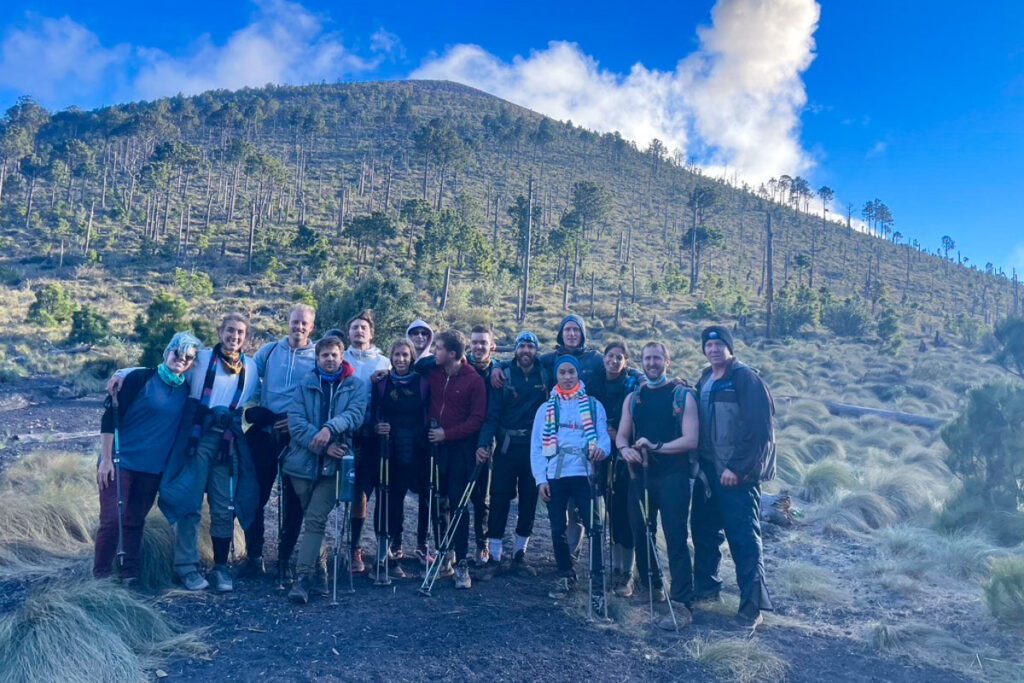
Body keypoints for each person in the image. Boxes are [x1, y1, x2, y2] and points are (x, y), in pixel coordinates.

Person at [157, 314, 260, 592]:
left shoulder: (251, 367)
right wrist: (123, 374)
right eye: (229, 330)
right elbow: (170, 368)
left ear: (245, 337)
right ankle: (186, 567)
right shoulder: (200, 358)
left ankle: (221, 567)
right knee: (189, 502)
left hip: (228, 441)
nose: (234, 337)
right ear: (219, 331)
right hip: (196, 437)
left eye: (240, 332)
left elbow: (263, 397)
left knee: (224, 504)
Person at [94, 332, 200, 584]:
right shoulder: (139, 378)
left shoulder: (187, 390)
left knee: (134, 520)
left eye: (188, 357)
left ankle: (130, 571)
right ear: (168, 351)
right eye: (177, 353)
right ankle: (101, 577)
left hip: (153, 469)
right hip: (121, 462)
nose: (181, 359)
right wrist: (106, 460)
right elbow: (110, 418)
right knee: (111, 520)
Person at [691, 325, 776, 630]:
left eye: (719, 344)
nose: (713, 349)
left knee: (743, 539)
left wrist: (737, 469)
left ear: (729, 347)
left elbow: (759, 430)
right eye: (708, 345)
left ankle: (752, 607)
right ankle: (706, 588)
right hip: (707, 474)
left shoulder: (745, 378)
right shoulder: (705, 378)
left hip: (736, 477)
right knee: (703, 531)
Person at [616, 342, 699, 629]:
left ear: (667, 360)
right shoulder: (634, 397)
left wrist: (656, 446)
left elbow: (691, 440)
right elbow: (622, 435)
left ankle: (682, 601)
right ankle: (652, 586)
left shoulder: (682, 396)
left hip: (673, 478)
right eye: (647, 359)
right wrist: (624, 449)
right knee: (641, 531)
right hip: (640, 477)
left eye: (657, 358)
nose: (652, 363)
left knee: (675, 536)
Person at [282, 335, 367, 603]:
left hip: (336, 466)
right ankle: (321, 571)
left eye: (334, 355)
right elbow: (295, 423)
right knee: (311, 520)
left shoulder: (355, 385)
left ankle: (303, 578)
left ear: (342, 356)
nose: (329, 359)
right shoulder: (304, 385)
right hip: (302, 465)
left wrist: (330, 430)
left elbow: (355, 415)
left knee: (316, 518)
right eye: (324, 355)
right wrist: (320, 445)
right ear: (317, 358)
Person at [240, 304, 316, 579]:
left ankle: (284, 558)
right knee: (253, 496)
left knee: (294, 500)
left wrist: (298, 422)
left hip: (297, 437)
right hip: (265, 431)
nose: (298, 327)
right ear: (288, 323)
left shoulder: (317, 356)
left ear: (311, 327)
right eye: (295, 322)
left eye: (304, 324)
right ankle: (254, 555)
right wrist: (253, 409)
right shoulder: (269, 351)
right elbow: (245, 377)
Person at [531, 356, 610, 599]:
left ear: (578, 375)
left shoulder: (594, 406)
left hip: (585, 474)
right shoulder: (545, 409)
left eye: (571, 372)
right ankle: (566, 574)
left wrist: (601, 450)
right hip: (556, 474)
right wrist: (540, 480)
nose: (567, 377)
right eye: (562, 372)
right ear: (557, 375)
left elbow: (603, 437)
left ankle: (597, 577)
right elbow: (536, 447)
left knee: (594, 527)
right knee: (557, 529)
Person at [474, 331, 548, 579]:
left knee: (529, 499)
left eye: (530, 346)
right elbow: (492, 414)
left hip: (533, 448)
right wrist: (484, 443)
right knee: (498, 498)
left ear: (536, 350)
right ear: (515, 349)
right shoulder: (502, 375)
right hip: (506, 446)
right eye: (522, 346)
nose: (526, 350)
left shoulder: (545, 372)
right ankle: (494, 556)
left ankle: (519, 555)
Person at [426, 330, 487, 589]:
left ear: (452, 353)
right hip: (434, 450)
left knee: (459, 505)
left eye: (438, 348)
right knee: (437, 504)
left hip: (460, 452)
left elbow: (477, 419)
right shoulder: (433, 371)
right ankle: (444, 556)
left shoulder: (474, 380)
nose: (433, 352)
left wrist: (447, 434)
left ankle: (462, 562)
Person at [367, 340, 430, 578]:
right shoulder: (382, 382)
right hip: (387, 451)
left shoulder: (422, 382)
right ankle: (384, 553)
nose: (401, 359)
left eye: (405, 355)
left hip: (416, 451)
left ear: (412, 357)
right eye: (396, 355)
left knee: (423, 498)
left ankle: (422, 547)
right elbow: (373, 413)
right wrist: (376, 427)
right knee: (388, 501)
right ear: (390, 357)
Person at [586, 341, 642, 597]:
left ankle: (626, 572)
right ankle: (613, 568)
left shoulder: (633, 385)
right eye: (610, 356)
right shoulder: (594, 383)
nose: (614, 361)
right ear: (604, 358)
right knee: (604, 511)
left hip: (623, 457)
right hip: (599, 455)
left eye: (620, 357)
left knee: (623, 514)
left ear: (626, 361)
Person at [341, 310, 392, 574]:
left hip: (376, 435)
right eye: (354, 327)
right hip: (347, 433)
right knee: (353, 492)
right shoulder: (340, 358)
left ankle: (384, 549)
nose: (359, 331)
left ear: (371, 333)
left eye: (364, 327)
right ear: (348, 333)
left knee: (375, 491)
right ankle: (353, 548)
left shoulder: (384, 362)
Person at [467, 325, 496, 566]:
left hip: (487, 440)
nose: (479, 347)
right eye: (475, 342)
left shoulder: (498, 371)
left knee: (482, 497)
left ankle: (481, 543)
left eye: (483, 343)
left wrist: (485, 444)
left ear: (491, 347)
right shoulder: (462, 369)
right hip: (461, 440)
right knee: (455, 493)